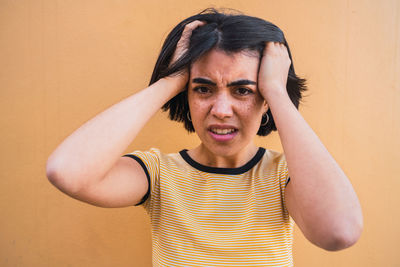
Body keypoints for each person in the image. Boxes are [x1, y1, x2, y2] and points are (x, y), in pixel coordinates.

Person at [46, 8, 363, 266]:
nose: (221, 110)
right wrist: (170, 81)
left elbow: (340, 232)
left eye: (243, 90)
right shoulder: (158, 175)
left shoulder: (284, 177)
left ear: (264, 99)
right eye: (203, 88)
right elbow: (67, 172)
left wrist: (278, 92)